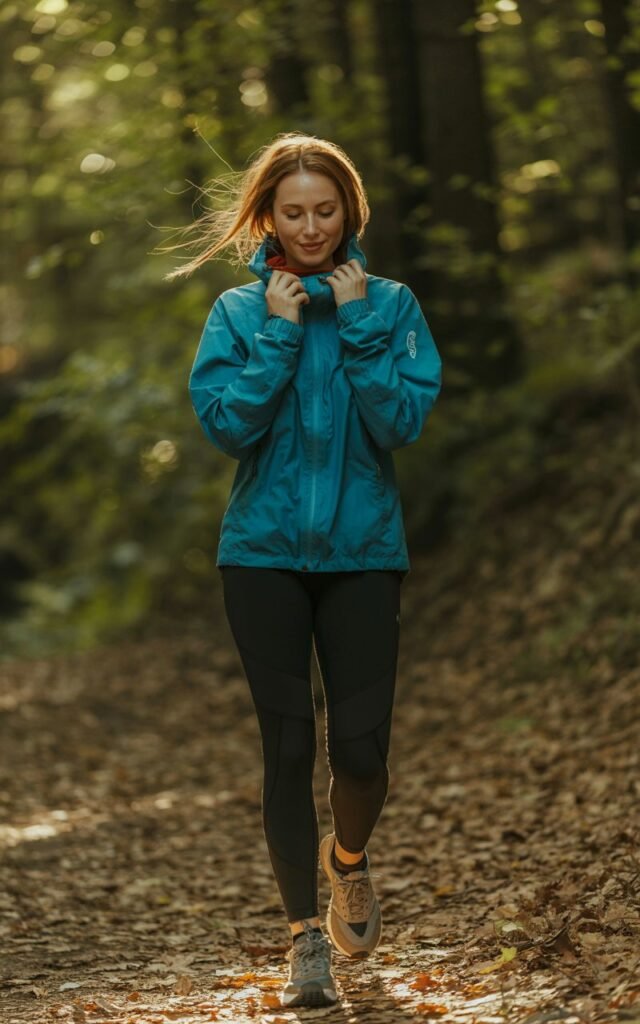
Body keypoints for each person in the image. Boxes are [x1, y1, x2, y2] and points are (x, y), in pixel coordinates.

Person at [168, 132, 442, 1008]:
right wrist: (281, 336)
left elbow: (401, 424)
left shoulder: (392, 305)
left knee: (360, 754)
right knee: (286, 748)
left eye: (327, 210)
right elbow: (227, 429)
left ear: (349, 211)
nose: (313, 225)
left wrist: (357, 324)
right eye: (295, 211)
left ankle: (348, 865)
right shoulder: (237, 315)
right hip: (261, 558)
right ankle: (301, 944)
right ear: (268, 217)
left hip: (363, 555)